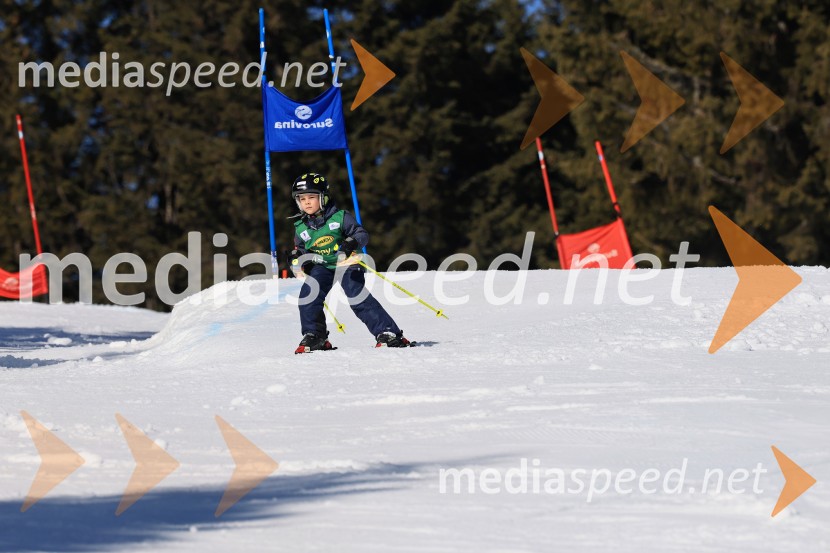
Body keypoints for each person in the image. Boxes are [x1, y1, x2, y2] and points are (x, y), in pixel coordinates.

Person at [288, 172, 412, 353]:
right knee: (309, 295)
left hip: (346, 263)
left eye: (312, 197)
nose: (307, 202)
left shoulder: (340, 217)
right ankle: (315, 336)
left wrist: (350, 243)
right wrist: (296, 257)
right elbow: (300, 249)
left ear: (324, 197)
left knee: (356, 295)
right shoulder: (301, 227)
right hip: (322, 266)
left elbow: (361, 234)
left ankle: (388, 333)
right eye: (302, 198)